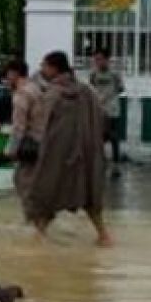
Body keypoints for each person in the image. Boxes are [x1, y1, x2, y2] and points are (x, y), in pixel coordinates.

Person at [26, 51, 113, 246]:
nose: (42, 69)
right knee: (89, 197)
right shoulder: (87, 91)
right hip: (86, 155)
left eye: (44, 65)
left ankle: (38, 239)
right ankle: (104, 236)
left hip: (56, 156)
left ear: (54, 68)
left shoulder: (52, 94)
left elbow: (41, 125)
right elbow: (101, 117)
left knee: (46, 194)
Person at [2, 59, 44, 223]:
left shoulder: (21, 95)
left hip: (30, 145)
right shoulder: (35, 88)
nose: (6, 80)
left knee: (23, 182)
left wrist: (10, 150)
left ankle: (35, 223)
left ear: (14, 74)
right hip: (42, 142)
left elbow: (19, 127)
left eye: (7, 75)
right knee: (35, 182)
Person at [89, 48, 125, 178]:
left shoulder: (115, 74)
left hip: (112, 109)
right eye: (96, 59)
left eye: (100, 59)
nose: (98, 62)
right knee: (98, 136)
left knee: (113, 136)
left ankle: (116, 164)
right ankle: (100, 161)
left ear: (107, 59)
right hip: (98, 109)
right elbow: (92, 87)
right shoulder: (94, 74)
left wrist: (109, 96)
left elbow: (120, 88)